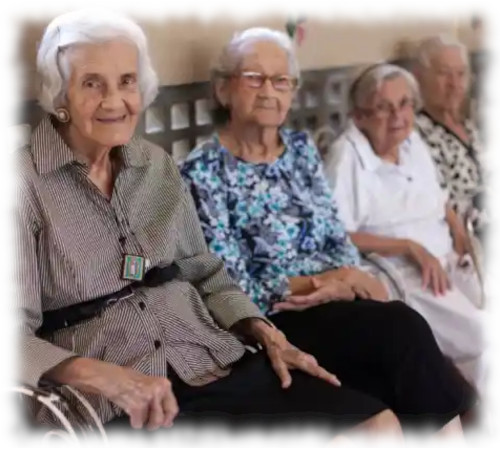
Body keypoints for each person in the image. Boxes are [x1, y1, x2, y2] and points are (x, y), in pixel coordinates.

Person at [16, 9, 408, 438]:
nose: (114, 101)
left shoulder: (155, 165)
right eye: (92, 84)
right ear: (59, 94)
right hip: (118, 399)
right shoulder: (21, 184)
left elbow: (205, 273)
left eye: (126, 82)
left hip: (209, 357)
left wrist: (262, 329)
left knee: (378, 425)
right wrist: (101, 376)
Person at [180, 27, 475, 434]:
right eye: (254, 78)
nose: (269, 91)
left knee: (397, 361)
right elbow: (231, 286)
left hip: (337, 304)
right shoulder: (202, 172)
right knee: (402, 327)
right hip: (276, 321)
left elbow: (336, 235)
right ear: (223, 90)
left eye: (281, 80)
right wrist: (326, 281)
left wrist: (348, 277)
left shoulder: (300, 150)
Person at [323, 63, 486, 394]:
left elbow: (437, 197)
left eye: (404, 104)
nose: (397, 116)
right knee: (482, 336)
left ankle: (467, 395)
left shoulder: (412, 142)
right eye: (383, 107)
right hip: (405, 272)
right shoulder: (346, 157)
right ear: (359, 117)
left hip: (447, 258)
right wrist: (409, 247)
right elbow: (334, 235)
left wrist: (458, 229)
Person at [413, 35, 486, 236]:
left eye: (461, 74)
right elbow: (437, 203)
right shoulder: (416, 134)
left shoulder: (468, 126)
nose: (454, 84)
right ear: (419, 77)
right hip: (467, 234)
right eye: (444, 74)